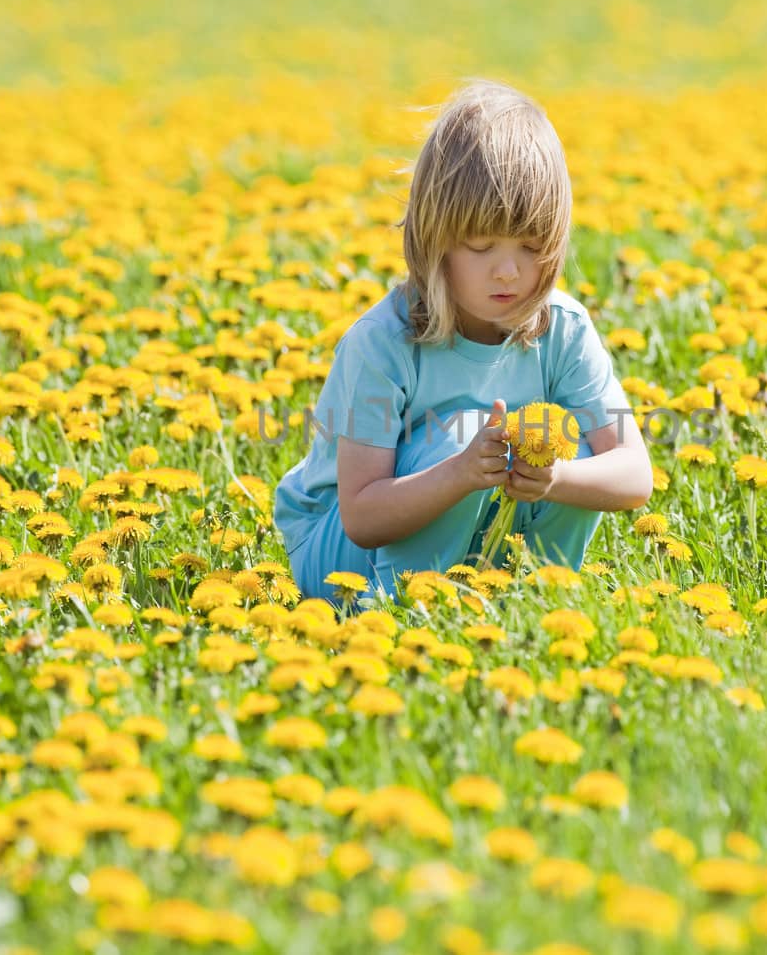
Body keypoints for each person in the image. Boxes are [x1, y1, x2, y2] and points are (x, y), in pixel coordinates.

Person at [273, 79, 653, 606]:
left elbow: (634, 473)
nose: (508, 271)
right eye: (480, 245)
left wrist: (555, 476)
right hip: (341, 554)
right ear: (436, 240)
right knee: (459, 434)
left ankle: (532, 601)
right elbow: (361, 516)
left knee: (568, 443)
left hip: (475, 528)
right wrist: (460, 473)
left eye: (531, 245)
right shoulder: (384, 344)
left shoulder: (563, 329)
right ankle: (407, 609)